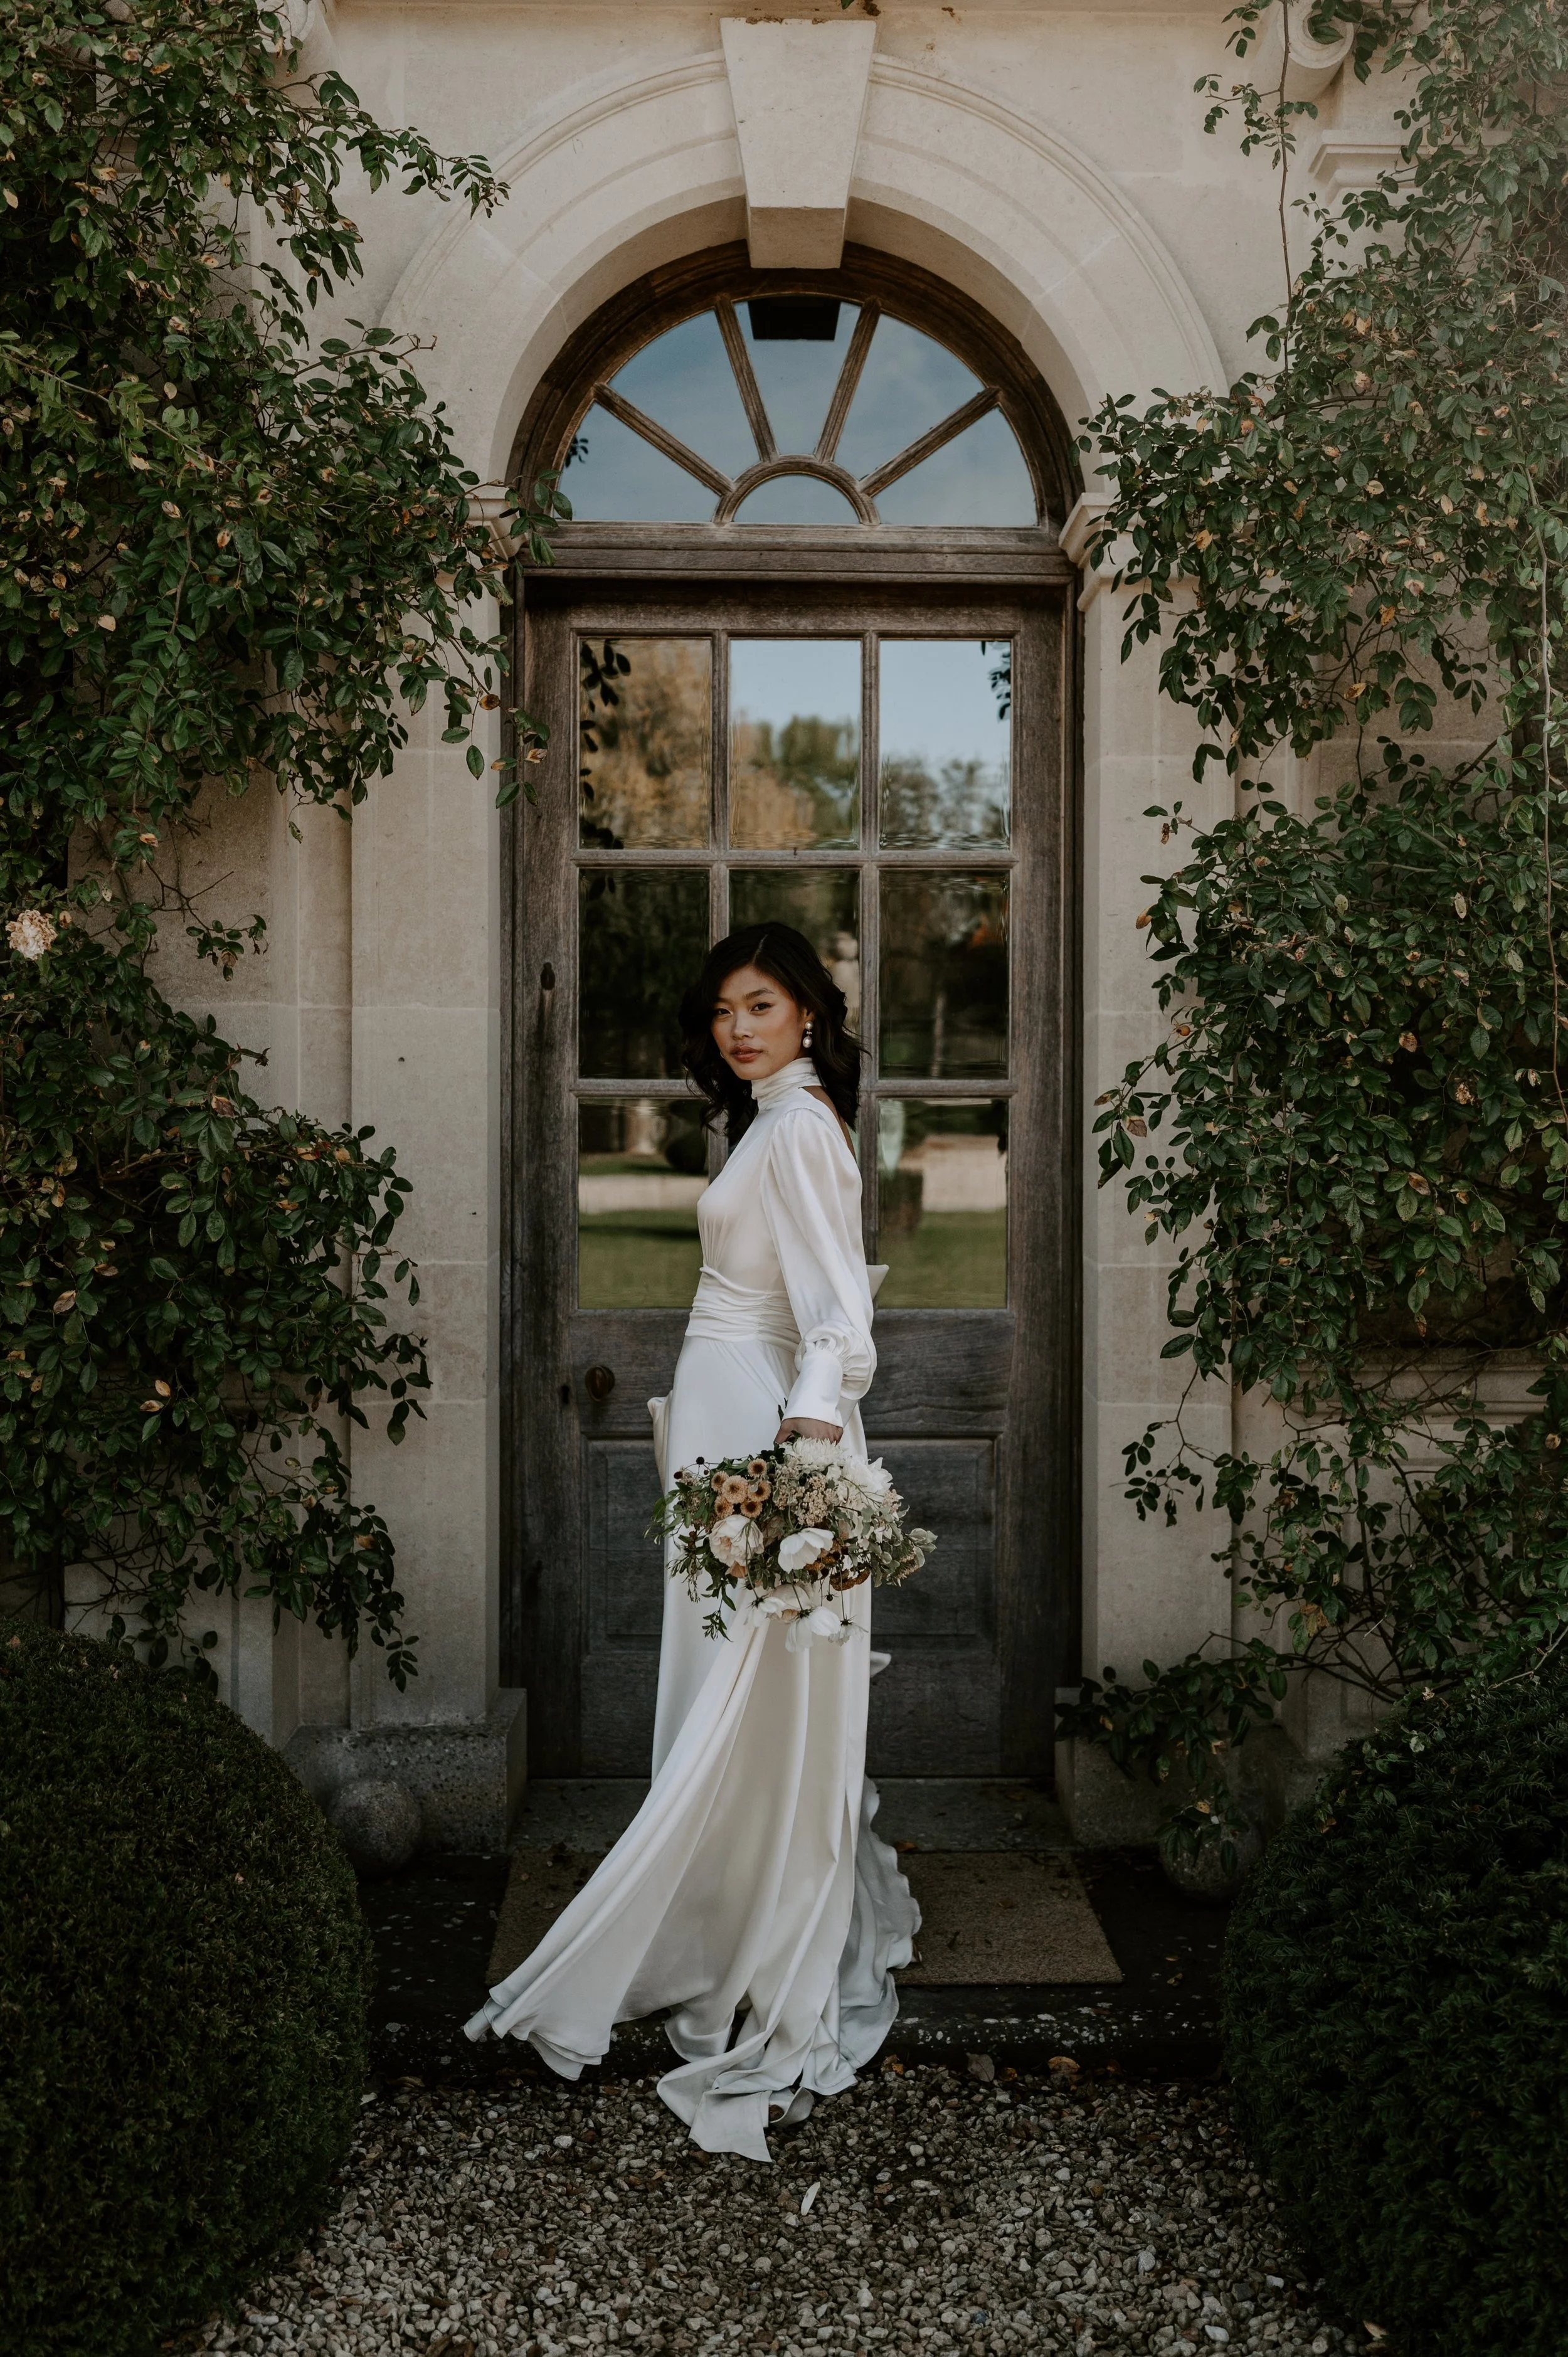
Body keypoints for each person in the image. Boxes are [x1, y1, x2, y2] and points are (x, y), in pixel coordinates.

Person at [465, 924, 919, 2161]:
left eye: (759, 1004)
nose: (736, 1026)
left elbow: (840, 1316)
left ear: (807, 1015)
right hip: (720, 1414)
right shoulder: (766, 1121)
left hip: (762, 1430)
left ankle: (732, 1935)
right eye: (723, 1008)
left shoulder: (805, 1128)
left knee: (741, 1689)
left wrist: (801, 1458)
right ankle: (720, 1918)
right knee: (719, 1685)